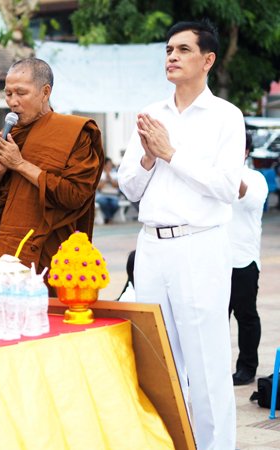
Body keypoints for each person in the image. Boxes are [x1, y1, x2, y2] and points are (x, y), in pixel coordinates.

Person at [117, 21, 245, 450]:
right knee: (156, 360)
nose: (171, 56)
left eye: (183, 50)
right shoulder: (150, 113)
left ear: (207, 60)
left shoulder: (227, 116)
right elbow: (129, 186)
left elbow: (228, 187)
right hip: (152, 245)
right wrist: (151, 157)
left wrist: (172, 152)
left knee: (207, 364)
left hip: (200, 243)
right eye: (169, 49)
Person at [0, 58, 104, 275]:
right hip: (3, 252)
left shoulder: (74, 133)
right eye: (8, 94)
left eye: (21, 93)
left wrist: (20, 164)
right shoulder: (10, 136)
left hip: (50, 252)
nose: (13, 102)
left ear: (45, 92)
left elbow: (75, 195)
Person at [229, 133, 268, 386]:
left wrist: (229, 174)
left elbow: (249, 199)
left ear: (246, 152)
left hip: (244, 260)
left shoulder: (256, 179)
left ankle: (247, 367)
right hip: (213, 259)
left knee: (246, 316)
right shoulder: (212, 174)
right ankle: (215, 366)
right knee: (215, 316)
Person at [96, 157, 120, 224]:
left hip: (113, 195)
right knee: (103, 202)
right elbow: (99, 187)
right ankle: (109, 218)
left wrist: (110, 178)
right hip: (102, 195)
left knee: (115, 205)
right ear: (104, 165)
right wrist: (106, 180)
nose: (110, 166)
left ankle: (108, 218)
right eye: (108, 164)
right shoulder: (100, 174)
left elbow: (117, 185)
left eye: (110, 164)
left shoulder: (115, 173)